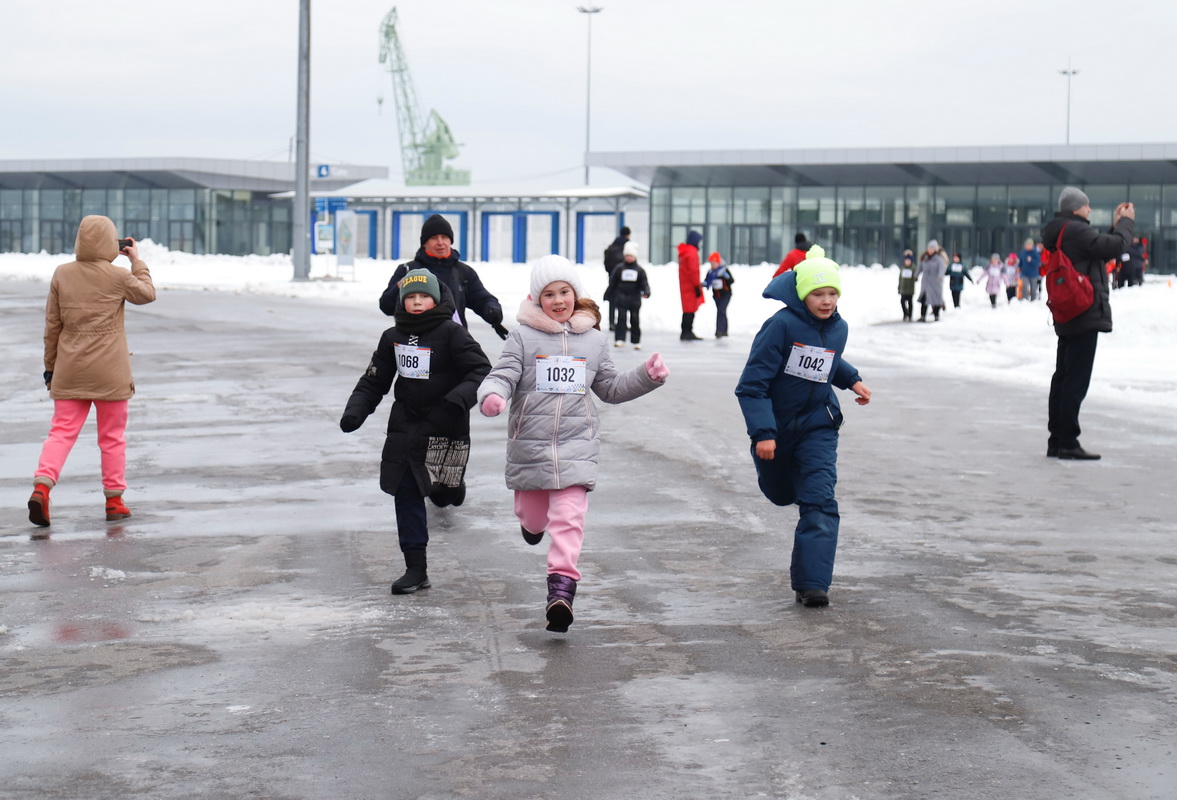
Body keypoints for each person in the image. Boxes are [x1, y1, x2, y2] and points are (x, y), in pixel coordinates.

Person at [477, 255, 669, 632]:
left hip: (577, 447)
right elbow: (502, 374)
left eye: (565, 291)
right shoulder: (522, 337)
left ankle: (561, 592)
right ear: (536, 299)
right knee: (534, 518)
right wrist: (493, 395)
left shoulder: (594, 340)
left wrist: (646, 376)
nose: (559, 300)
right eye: (549, 294)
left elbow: (611, 388)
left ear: (575, 294)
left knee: (569, 519)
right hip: (530, 448)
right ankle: (531, 526)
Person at [735, 246, 871, 608]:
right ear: (802, 294)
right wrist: (764, 433)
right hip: (777, 430)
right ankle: (786, 476)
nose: (826, 301)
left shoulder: (838, 327)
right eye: (818, 294)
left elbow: (829, 360)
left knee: (820, 499)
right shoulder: (780, 326)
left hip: (818, 425)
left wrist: (852, 380)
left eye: (832, 294)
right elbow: (752, 385)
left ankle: (813, 584)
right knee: (780, 492)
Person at [341, 269, 492, 593]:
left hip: (445, 423)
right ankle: (416, 568)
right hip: (406, 424)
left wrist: (455, 402)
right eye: (411, 297)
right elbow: (374, 380)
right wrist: (356, 411)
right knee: (405, 490)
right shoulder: (392, 336)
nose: (418, 301)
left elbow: (480, 369)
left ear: (435, 299)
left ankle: (451, 490)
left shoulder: (452, 333)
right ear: (403, 301)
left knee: (442, 490)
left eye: (423, 296)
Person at [28, 215, 156, 527]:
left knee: (61, 432)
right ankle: (114, 501)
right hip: (110, 372)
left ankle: (42, 488)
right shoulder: (117, 276)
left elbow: (52, 327)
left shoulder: (62, 274)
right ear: (111, 243)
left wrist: (50, 369)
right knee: (111, 437)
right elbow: (147, 294)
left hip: (69, 370)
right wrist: (136, 262)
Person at [1040, 187, 1134, 461]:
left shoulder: (1062, 230)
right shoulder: (1075, 230)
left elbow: (1094, 250)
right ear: (1075, 207)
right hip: (1082, 311)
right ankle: (1068, 441)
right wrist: (1127, 223)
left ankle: (1057, 440)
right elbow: (1115, 247)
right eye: (1087, 205)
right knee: (1075, 380)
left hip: (1068, 310)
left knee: (1063, 377)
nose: (1090, 210)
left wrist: (1115, 226)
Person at [379, 214, 508, 340]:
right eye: (434, 238)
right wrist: (398, 288)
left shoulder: (464, 272)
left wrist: (493, 313)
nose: (440, 242)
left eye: (444, 237)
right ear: (424, 243)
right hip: (416, 342)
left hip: (454, 340)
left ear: (450, 241)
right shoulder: (407, 270)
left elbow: (482, 299)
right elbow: (386, 306)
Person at [608, 240, 651, 349]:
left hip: (635, 299)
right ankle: (619, 339)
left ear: (635, 257)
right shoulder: (619, 268)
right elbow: (613, 282)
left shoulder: (640, 270)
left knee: (635, 320)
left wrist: (646, 292)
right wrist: (608, 293)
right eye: (627, 255)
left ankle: (636, 341)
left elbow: (644, 283)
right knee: (621, 319)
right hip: (621, 298)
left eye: (631, 256)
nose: (629, 258)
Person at [677, 230, 705, 340]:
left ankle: (685, 331)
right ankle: (687, 332)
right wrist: (696, 286)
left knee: (687, 309)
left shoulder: (685, 251)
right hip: (691, 285)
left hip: (685, 284)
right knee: (690, 310)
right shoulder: (692, 253)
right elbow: (694, 271)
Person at [602, 226, 631, 331]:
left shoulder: (611, 247)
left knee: (612, 301)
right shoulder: (627, 246)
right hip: (624, 279)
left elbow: (606, 264)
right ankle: (622, 323)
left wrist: (611, 273)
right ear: (628, 234)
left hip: (612, 277)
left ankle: (611, 323)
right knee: (624, 301)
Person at [704, 251, 735, 338]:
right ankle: (723, 331)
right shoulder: (710, 272)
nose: (713, 265)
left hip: (726, 295)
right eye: (711, 263)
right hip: (716, 296)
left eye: (714, 263)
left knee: (721, 311)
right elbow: (707, 281)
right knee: (721, 312)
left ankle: (719, 331)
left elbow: (732, 281)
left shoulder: (724, 270)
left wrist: (726, 277)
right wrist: (704, 284)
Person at [917, 239, 947, 322]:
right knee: (924, 300)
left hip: (935, 283)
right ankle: (923, 316)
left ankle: (936, 316)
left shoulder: (939, 259)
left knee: (936, 300)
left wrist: (940, 277)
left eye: (932, 248)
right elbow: (920, 267)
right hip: (926, 283)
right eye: (929, 248)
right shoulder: (924, 258)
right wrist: (916, 275)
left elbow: (942, 269)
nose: (930, 250)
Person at [897, 253, 917, 321]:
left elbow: (916, 277)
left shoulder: (913, 268)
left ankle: (910, 315)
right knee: (902, 301)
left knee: (910, 302)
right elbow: (900, 279)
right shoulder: (902, 268)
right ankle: (906, 313)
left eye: (909, 260)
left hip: (910, 289)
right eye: (906, 260)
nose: (907, 262)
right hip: (903, 288)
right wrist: (899, 288)